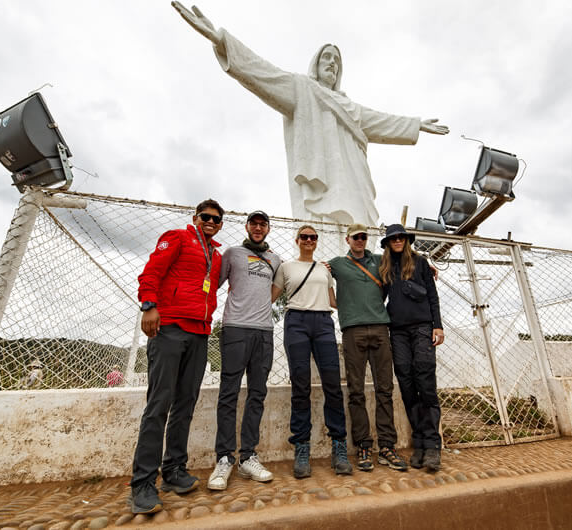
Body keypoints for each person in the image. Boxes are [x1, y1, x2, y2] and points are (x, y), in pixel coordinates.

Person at [172, 3, 450, 227]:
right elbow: (262, 72)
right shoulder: (302, 89)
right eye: (326, 58)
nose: (332, 64)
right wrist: (221, 40)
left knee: (360, 228)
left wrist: (416, 125)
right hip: (323, 183)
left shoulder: (350, 107)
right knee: (322, 228)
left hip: (353, 181)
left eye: (336, 61)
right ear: (315, 64)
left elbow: (382, 120)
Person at [130, 199, 225, 514]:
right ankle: (143, 484)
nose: (211, 222)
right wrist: (149, 306)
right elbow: (151, 273)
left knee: (185, 405)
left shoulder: (216, 255)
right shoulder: (178, 237)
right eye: (206, 217)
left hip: (199, 333)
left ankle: (173, 471)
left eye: (216, 219)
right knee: (159, 406)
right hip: (169, 329)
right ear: (195, 217)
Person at [208, 210, 282, 491]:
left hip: (264, 332)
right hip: (235, 329)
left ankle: (248, 456)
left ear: (268, 229)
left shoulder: (275, 259)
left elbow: (281, 286)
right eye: (254, 223)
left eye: (263, 224)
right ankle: (224, 458)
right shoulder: (233, 253)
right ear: (248, 226)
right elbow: (214, 284)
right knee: (229, 393)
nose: (258, 228)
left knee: (257, 394)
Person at [271, 225, 352, 478]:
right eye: (304, 237)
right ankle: (302, 446)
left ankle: (338, 446)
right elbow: (270, 296)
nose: (308, 240)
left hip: (323, 323)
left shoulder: (323, 269)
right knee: (301, 384)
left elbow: (333, 301)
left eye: (313, 237)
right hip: (296, 322)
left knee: (332, 384)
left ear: (317, 241)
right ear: (297, 241)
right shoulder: (286, 267)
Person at [328, 225, 407, 472]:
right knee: (356, 391)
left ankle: (387, 446)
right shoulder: (337, 263)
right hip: (353, 330)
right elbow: (315, 275)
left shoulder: (378, 259)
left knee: (385, 388)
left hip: (381, 328)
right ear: (347, 239)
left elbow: (405, 258)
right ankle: (363, 444)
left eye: (363, 237)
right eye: (356, 237)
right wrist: (338, 303)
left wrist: (429, 266)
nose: (360, 240)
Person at [379, 224, 445, 472]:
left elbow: (433, 296)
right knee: (406, 383)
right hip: (397, 331)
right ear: (387, 243)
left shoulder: (420, 263)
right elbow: (377, 292)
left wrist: (437, 326)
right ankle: (420, 443)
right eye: (392, 238)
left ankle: (433, 445)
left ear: (406, 240)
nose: (397, 241)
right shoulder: (385, 266)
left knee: (425, 381)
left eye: (400, 237)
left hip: (421, 328)